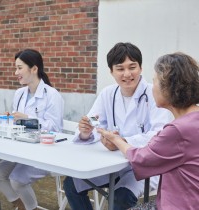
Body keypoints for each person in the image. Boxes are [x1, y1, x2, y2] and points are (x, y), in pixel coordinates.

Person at [63, 42, 171, 210]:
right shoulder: (108, 93)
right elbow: (93, 123)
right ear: (111, 71)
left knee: (120, 199)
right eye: (120, 69)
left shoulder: (154, 93)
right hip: (110, 165)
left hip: (141, 168)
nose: (127, 74)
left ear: (141, 68)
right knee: (72, 184)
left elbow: (159, 135)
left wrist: (121, 141)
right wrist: (86, 131)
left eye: (132, 67)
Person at [98, 52, 199, 210]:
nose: (151, 88)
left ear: (170, 87)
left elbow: (141, 159)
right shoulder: (192, 120)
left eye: (155, 82)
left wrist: (116, 140)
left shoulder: (178, 130)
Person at [0, 49, 64, 210]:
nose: (16, 72)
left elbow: (56, 129)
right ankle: (22, 205)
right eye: (15, 68)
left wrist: (28, 119)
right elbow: (18, 124)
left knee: (17, 180)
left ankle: (30, 207)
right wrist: (10, 118)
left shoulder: (52, 95)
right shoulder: (19, 93)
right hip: (22, 149)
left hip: (45, 152)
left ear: (34, 69)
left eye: (19, 68)